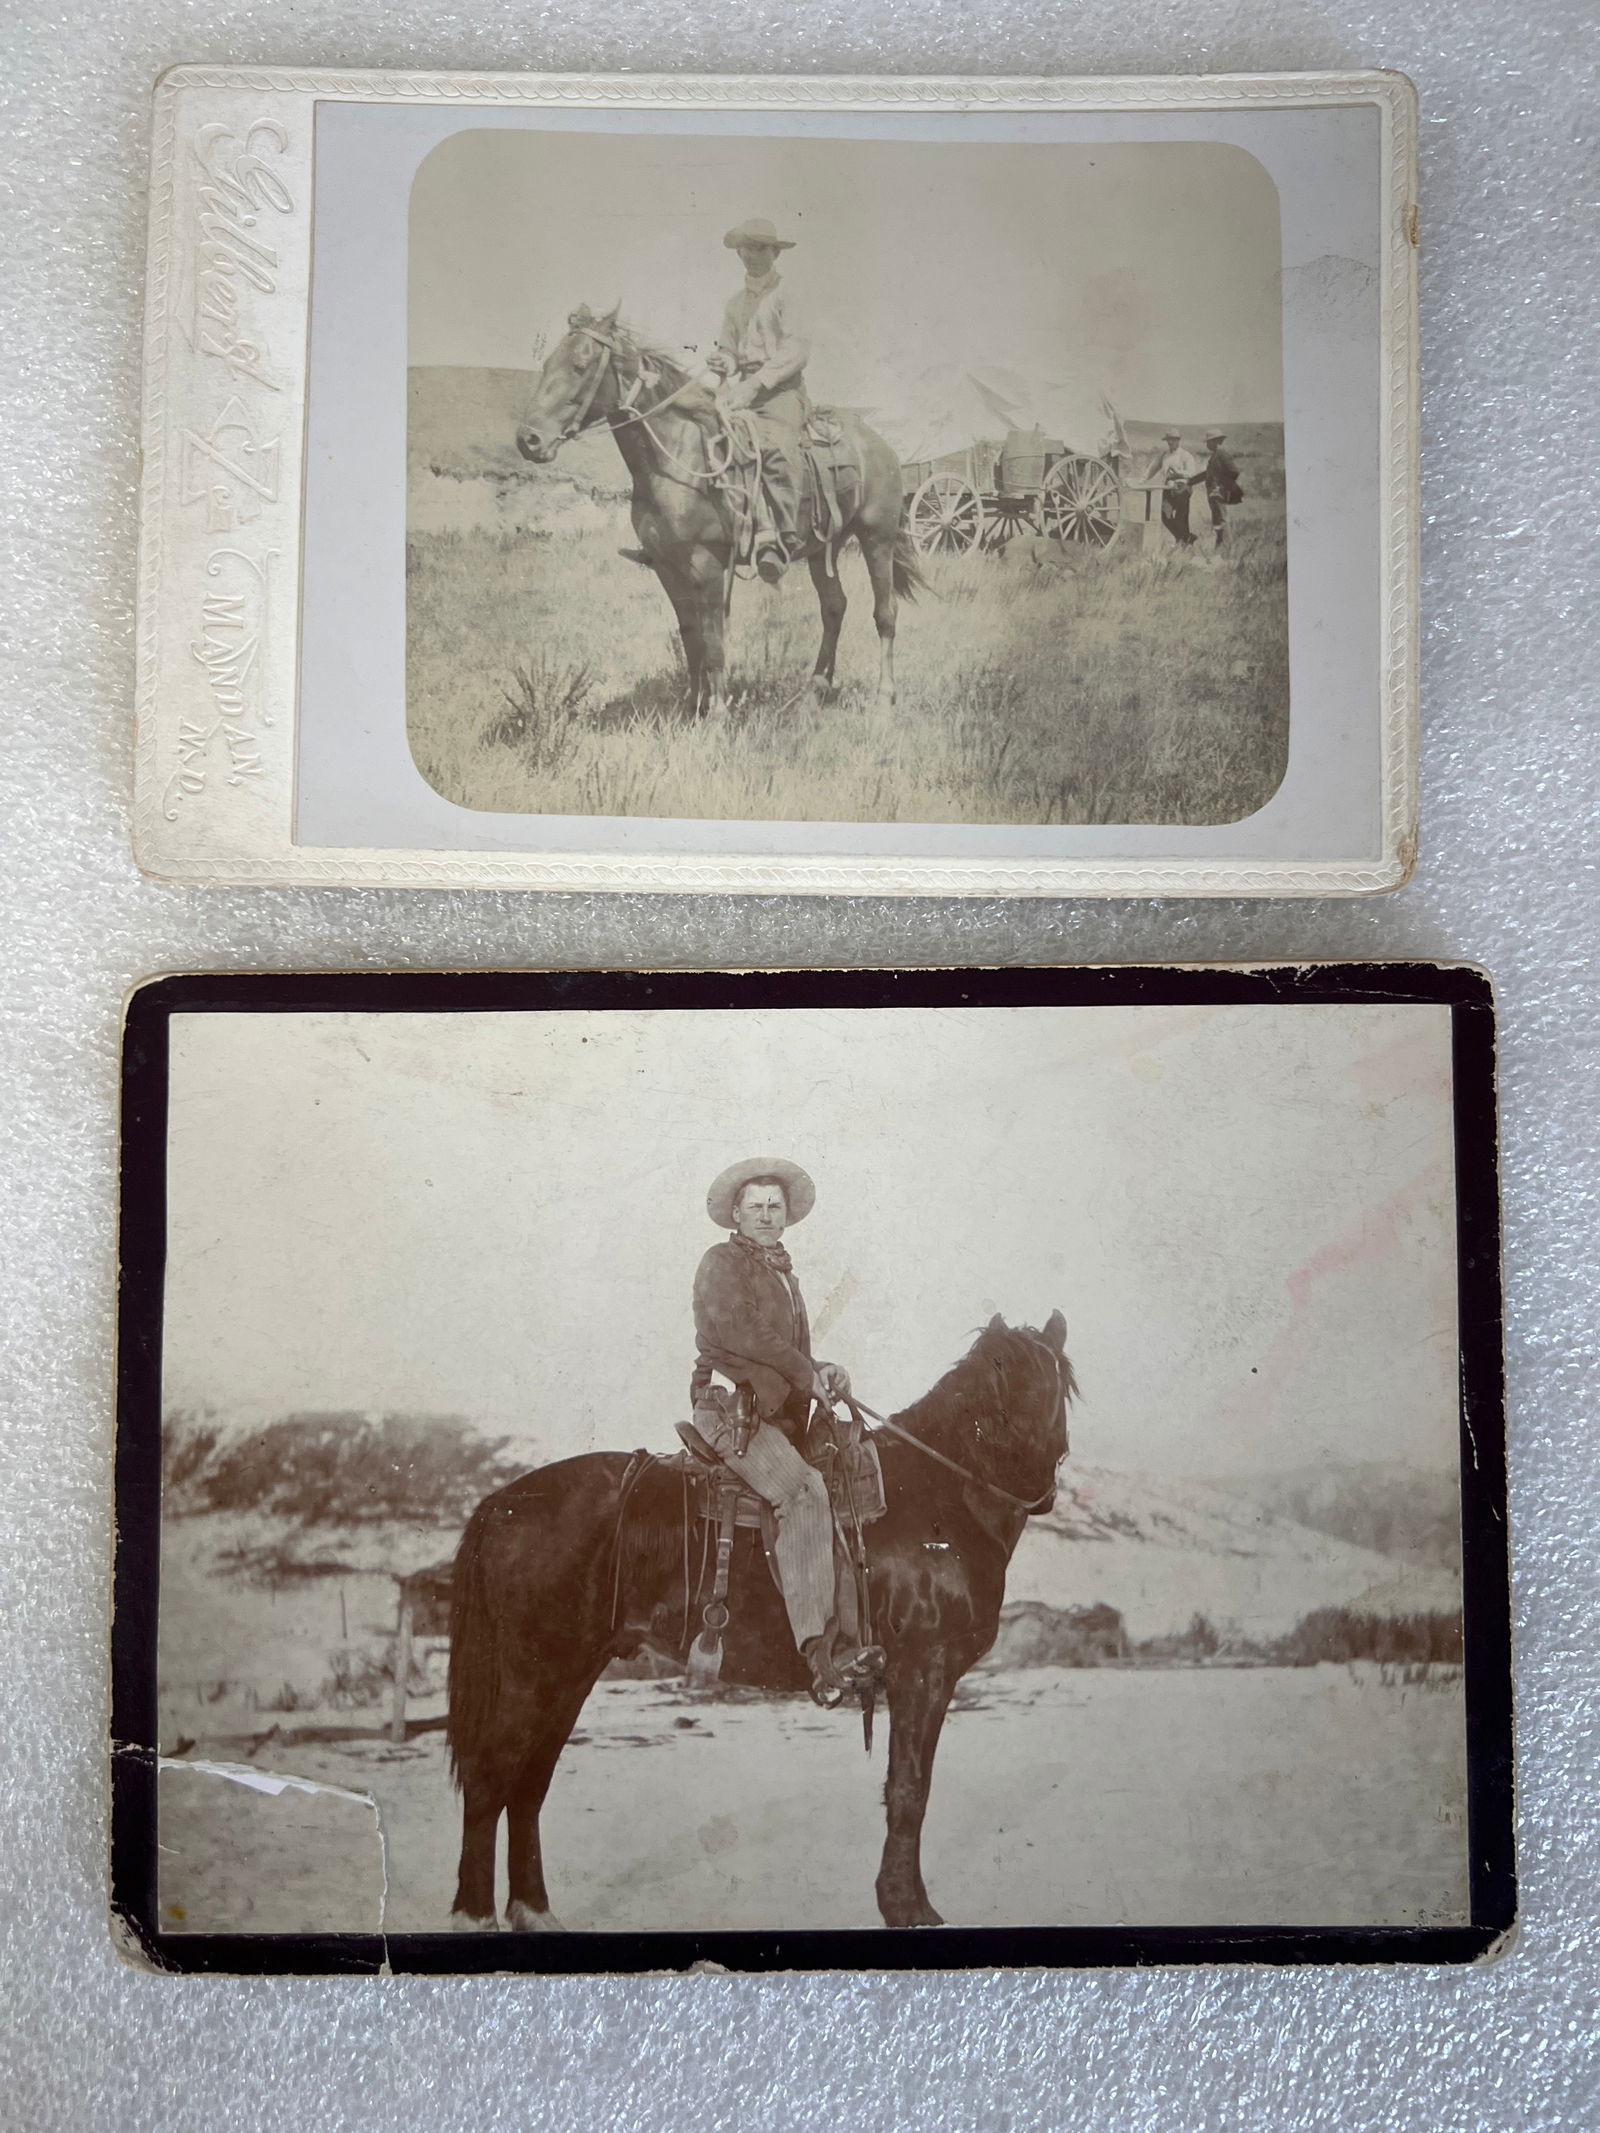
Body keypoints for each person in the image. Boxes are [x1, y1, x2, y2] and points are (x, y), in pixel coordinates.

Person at [689, 1156, 869, 1705]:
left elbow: (790, 1354)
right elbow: (743, 1332)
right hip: (733, 1414)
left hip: (773, 1414)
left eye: (775, 1206)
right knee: (804, 1491)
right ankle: (822, 1651)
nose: (766, 1215)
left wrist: (823, 1368)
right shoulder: (722, 1261)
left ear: (786, 1215)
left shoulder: (782, 1273)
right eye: (756, 1207)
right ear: (736, 1214)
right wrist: (803, 1371)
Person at [706, 218, 810, 585]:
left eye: (760, 248)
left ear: (775, 253)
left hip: (781, 390)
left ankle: (782, 538)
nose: (751, 255)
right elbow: (730, 349)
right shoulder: (734, 304)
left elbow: (796, 351)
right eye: (745, 249)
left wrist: (755, 384)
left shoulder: (787, 296)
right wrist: (726, 361)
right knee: (711, 440)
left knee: (776, 447)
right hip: (743, 390)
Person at [1148, 427, 1200, 547]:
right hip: (1168, 490)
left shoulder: (1186, 456)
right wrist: (1142, 480)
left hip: (1182, 490)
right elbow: (1152, 469)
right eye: (1168, 440)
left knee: (1181, 518)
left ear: (1178, 440)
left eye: (1173, 440)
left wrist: (1179, 473)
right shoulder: (1164, 455)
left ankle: (1183, 544)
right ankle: (1186, 538)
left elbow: (1192, 473)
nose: (1170, 442)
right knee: (1165, 516)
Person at [1200, 430, 1243, 549]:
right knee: (1217, 519)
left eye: (1208, 442)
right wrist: (1190, 481)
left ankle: (1227, 547)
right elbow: (1208, 473)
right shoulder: (1216, 454)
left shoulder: (1222, 454)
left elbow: (1234, 471)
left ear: (1215, 441)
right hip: (1214, 492)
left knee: (1221, 519)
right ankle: (1220, 547)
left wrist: (1221, 486)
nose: (1207, 445)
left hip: (1218, 491)